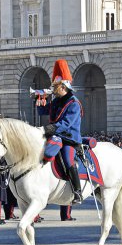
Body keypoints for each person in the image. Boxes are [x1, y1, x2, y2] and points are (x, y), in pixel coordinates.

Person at [38, 59, 84, 204]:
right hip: (56, 135)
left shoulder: (74, 103)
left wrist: (49, 128)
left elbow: (66, 123)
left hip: (69, 138)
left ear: (64, 86)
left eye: (55, 87)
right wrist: (40, 103)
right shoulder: (56, 101)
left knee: (68, 159)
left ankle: (77, 191)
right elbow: (45, 111)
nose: (53, 89)